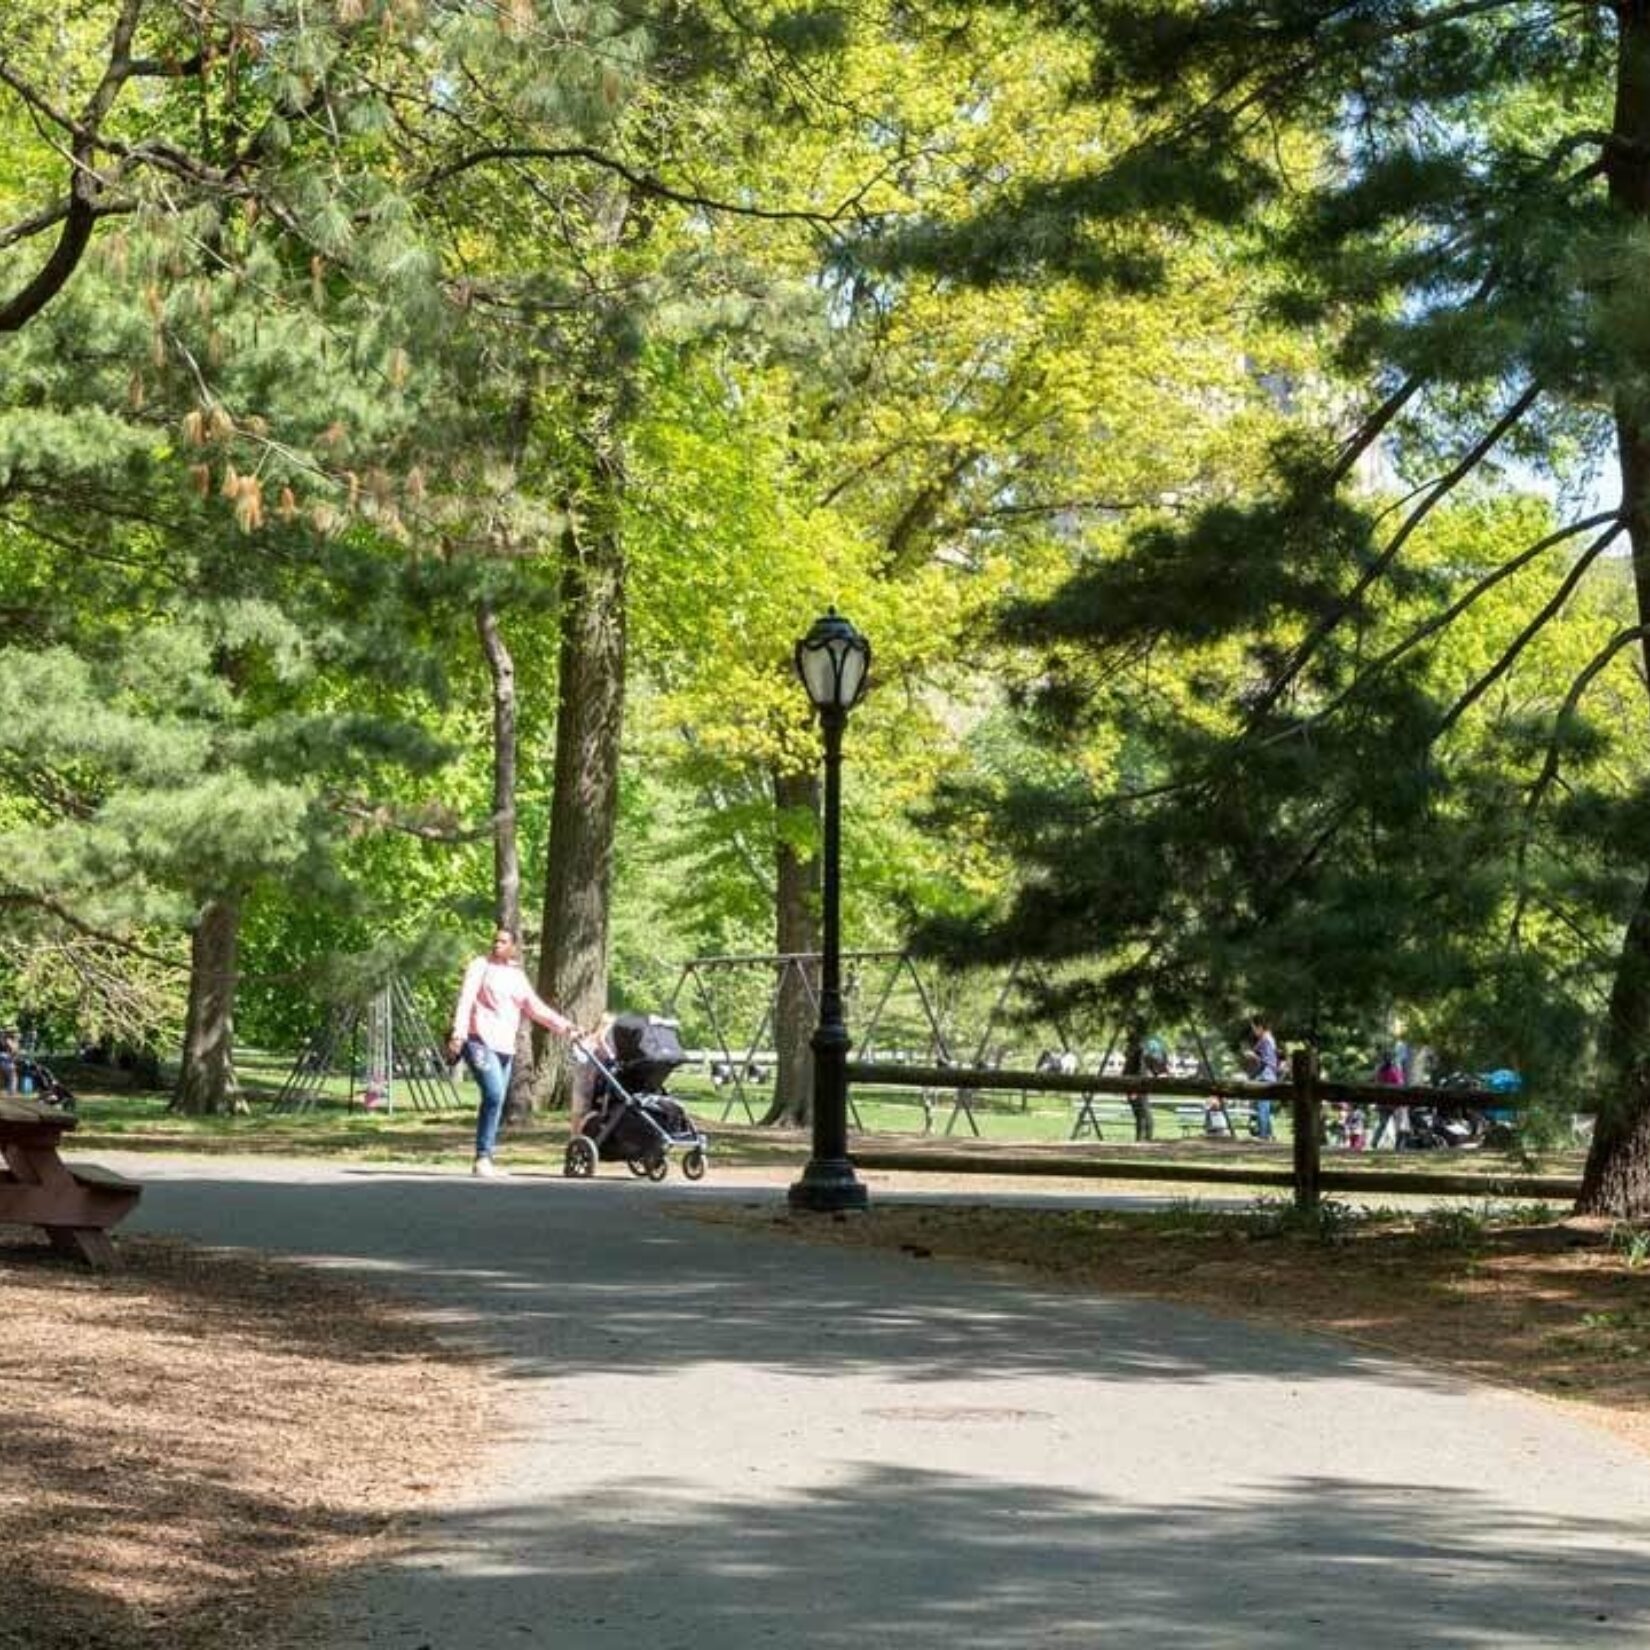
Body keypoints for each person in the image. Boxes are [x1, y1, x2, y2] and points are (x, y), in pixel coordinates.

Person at [448, 928, 580, 1177]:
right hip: (478, 1039)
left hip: (504, 1047)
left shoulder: (516, 976)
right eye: (495, 941)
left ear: (514, 947)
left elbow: (535, 1008)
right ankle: (482, 1157)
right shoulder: (480, 965)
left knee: (496, 1101)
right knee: (495, 1093)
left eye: (503, 941)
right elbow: (466, 998)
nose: (497, 944)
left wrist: (566, 1027)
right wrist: (459, 1033)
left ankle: (487, 1157)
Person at [1246, 1014, 1279, 1140]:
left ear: (1260, 1027)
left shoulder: (1266, 1040)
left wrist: (1253, 1056)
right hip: (1268, 1075)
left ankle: (1263, 1135)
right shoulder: (1268, 1039)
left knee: (1263, 1107)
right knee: (1264, 1107)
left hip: (1265, 1076)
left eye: (1254, 1028)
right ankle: (1269, 1134)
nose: (1253, 1032)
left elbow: (1266, 1061)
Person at [1121, 1024, 1154, 1142]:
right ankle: (1141, 1137)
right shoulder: (1134, 1049)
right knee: (1139, 1113)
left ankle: (1144, 1138)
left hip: (1137, 1085)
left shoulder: (1139, 1050)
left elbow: (1140, 1069)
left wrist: (1135, 1088)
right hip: (1131, 1084)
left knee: (1142, 1112)